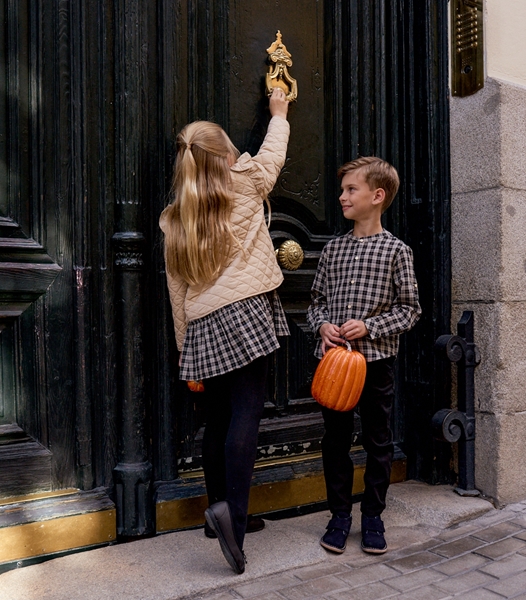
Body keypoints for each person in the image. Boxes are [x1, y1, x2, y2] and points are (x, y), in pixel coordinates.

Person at [159, 88, 290, 574]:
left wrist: (182, 347)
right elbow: (274, 155)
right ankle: (232, 515)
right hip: (246, 310)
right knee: (246, 415)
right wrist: (279, 113)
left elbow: (176, 291)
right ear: (227, 152)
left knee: (217, 420)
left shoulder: (175, 219)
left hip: (203, 323)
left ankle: (219, 511)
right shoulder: (246, 182)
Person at [307, 156, 421, 555]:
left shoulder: (396, 251)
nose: (342, 197)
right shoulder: (333, 249)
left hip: (376, 364)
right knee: (335, 440)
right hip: (335, 365)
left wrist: (370, 327)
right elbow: (316, 302)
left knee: (378, 441)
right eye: (342, 190)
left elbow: (410, 310)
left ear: (377, 196)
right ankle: (339, 515)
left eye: (350, 189)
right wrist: (322, 326)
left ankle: (373, 516)